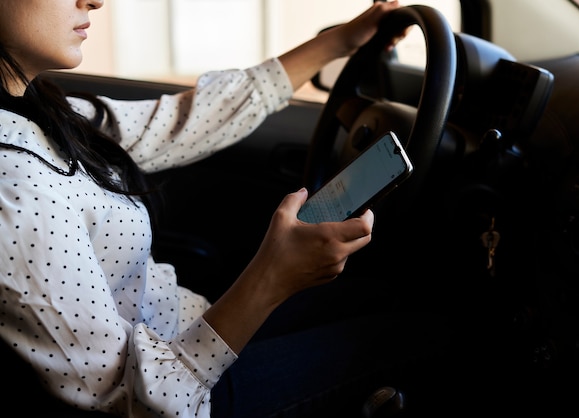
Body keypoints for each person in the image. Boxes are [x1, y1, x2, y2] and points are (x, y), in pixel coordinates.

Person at [0, 1, 451, 417]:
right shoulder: (12, 190)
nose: (94, 0)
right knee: (432, 337)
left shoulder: (38, 111)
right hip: (191, 391)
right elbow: (132, 401)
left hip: (185, 326)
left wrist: (336, 43)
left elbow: (178, 123)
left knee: (381, 295)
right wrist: (271, 278)